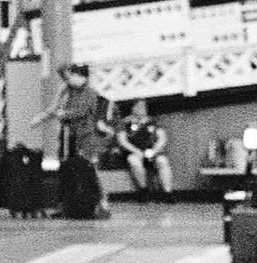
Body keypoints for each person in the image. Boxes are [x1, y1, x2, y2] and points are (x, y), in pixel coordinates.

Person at [38, 62, 112, 219]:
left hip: (86, 137)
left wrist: (61, 114)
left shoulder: (90, 93)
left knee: (91, 171)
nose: (68, 79)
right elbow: (60, 74)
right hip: (69, 136)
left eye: (72, 76)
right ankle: (67, 205)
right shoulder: (68, 91)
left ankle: (102, 205)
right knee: (67, 171)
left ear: (82, 77)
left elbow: (80, 111)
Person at [118, 100, 172, 200]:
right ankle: (144, 190)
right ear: (133, 108)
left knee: (163, 161)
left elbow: (162, 138)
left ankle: (167, 193)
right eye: (138, 106)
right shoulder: (126, 123)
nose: (142, 109)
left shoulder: (154, 121)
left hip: (153, 152)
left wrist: (153, 151)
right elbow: (122, 140)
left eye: (143, 106)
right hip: (136, 152)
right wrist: (137, 151)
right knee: (133, 160)